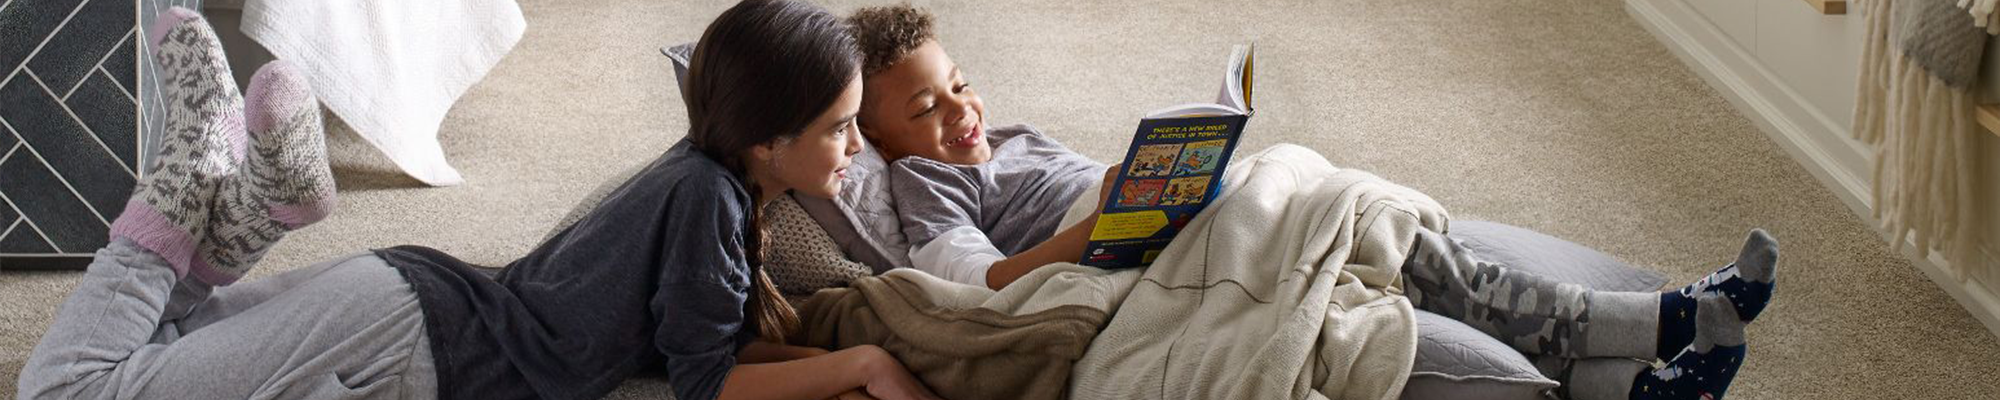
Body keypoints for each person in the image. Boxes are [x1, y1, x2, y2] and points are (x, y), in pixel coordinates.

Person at [842, 4, 1779, 399]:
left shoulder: (1002, 137)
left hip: (1155, 216)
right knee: (1338, 238)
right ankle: (1652, 327)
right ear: (874, 137)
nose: (960, 112)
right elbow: (983, 280)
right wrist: (1114, 218)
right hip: (1119, 249)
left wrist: (1170, 166)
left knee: (1355, 219)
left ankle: (1643, 356)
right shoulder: (920, 188)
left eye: (960, 83)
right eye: (925, 107)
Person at [18, 2, 941, 400]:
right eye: (839, 128)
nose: (856, 147)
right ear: (766, 138)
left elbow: (700, 346)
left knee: (168, 345)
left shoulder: (712, 181)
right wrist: (861, 366)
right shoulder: (708, 201)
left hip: (404, 306)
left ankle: (254, 209)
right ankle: (185, 182)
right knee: (68, 390)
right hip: (402, 342)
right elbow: (713, 384)